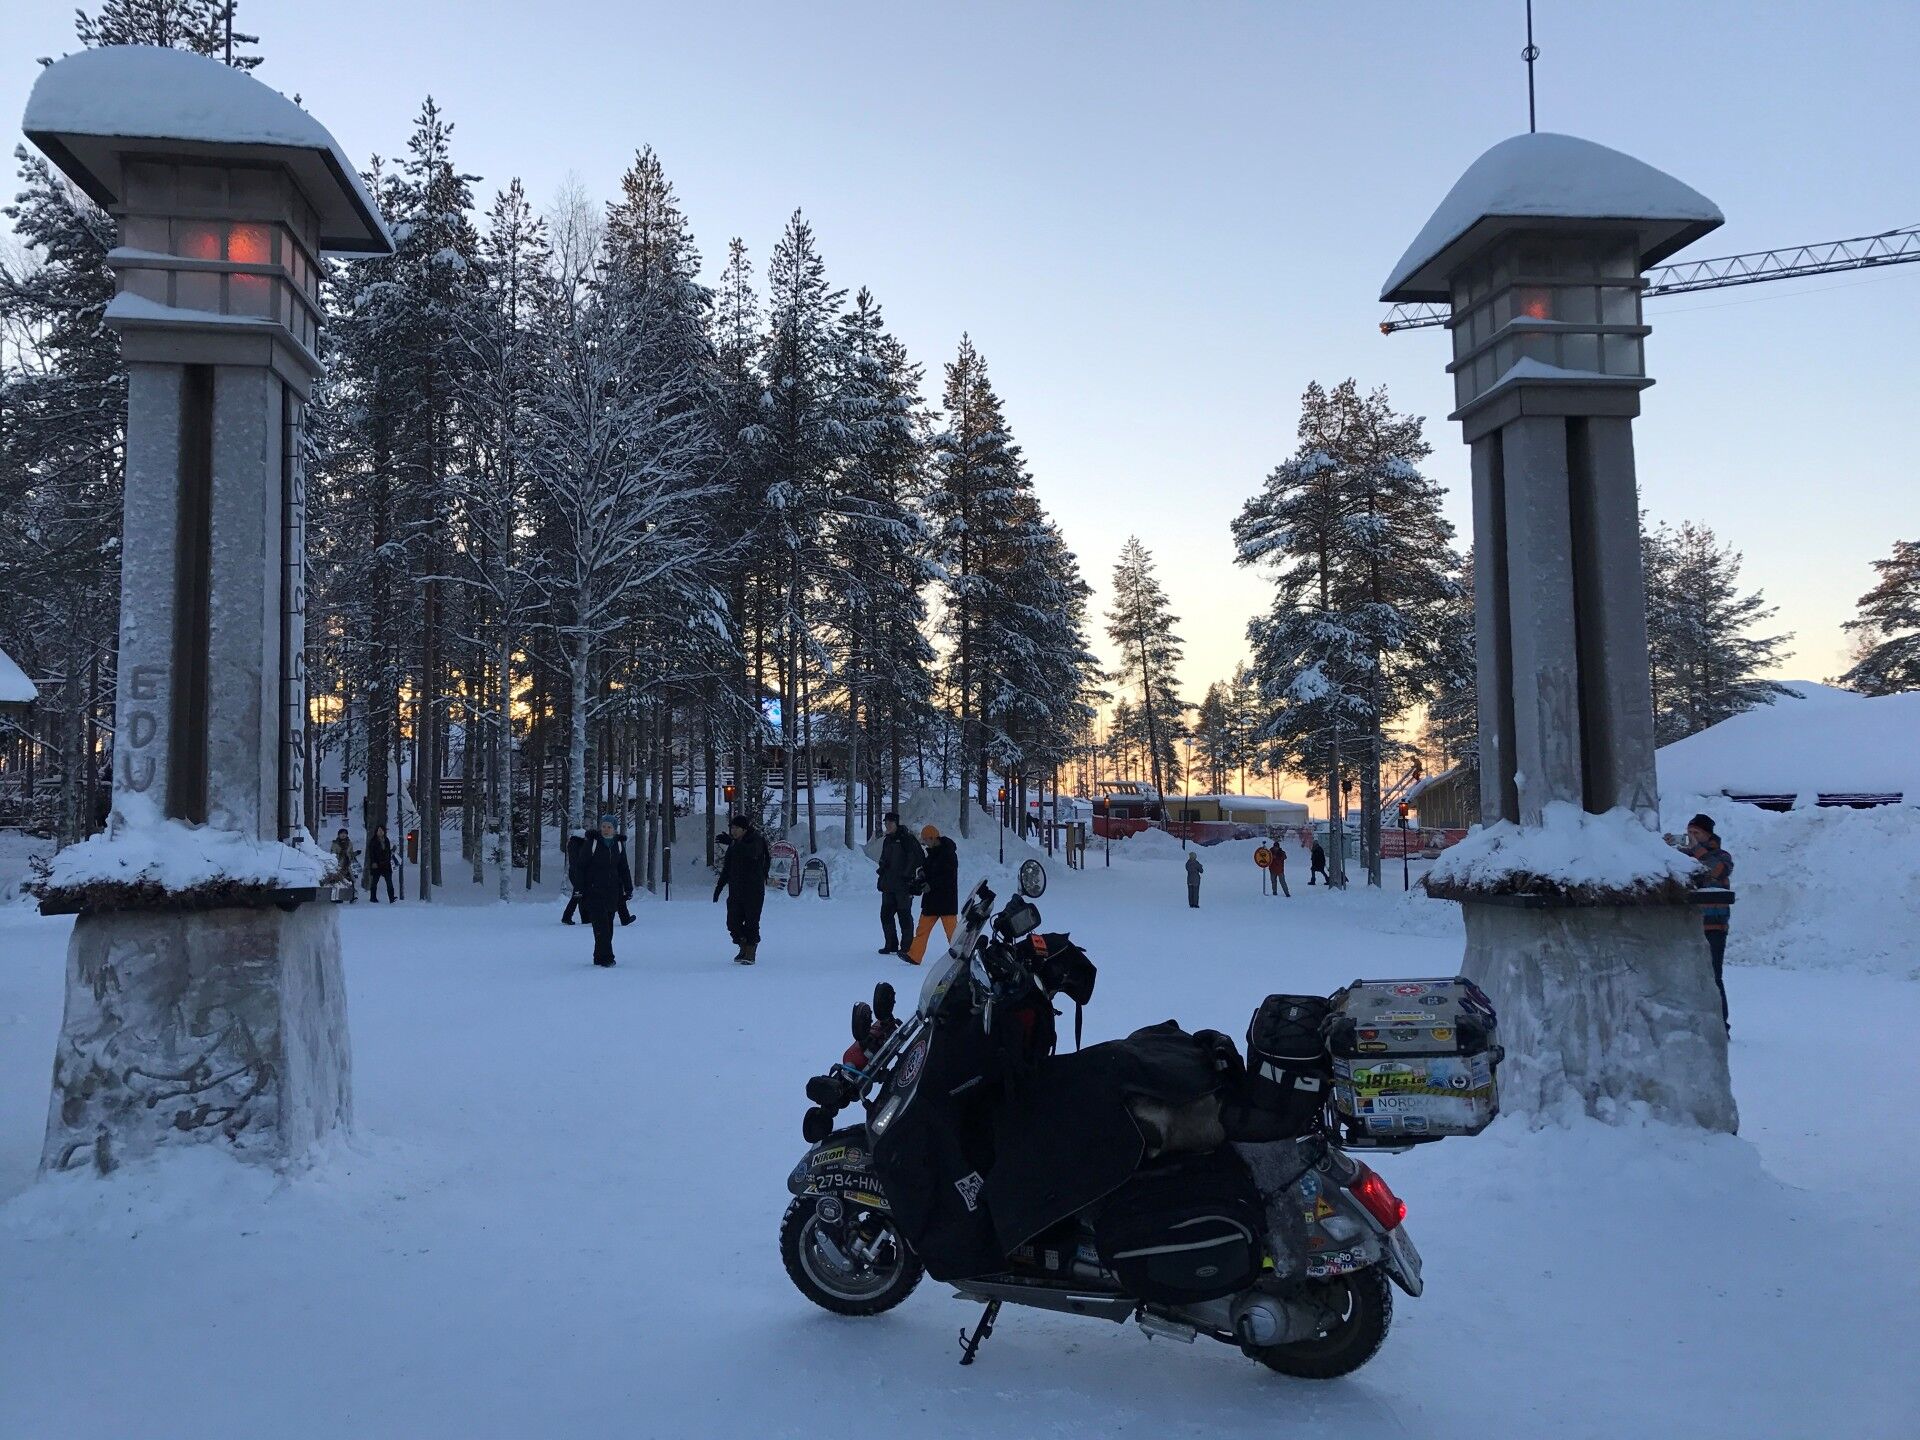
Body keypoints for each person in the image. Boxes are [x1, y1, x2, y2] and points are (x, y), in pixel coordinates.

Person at [1670, 812, 1734, 1035]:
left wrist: (1696, 850)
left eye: (1696, 833)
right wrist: (1665, 849)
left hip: (1714, 926)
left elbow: (1714, 872)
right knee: (1687, 977)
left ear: (1708, 835)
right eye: (1689, 833)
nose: (1691, 837)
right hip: (1689, 925)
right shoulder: (1683, 858)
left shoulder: (1722, 856)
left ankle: (1720, 1026)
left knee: (1713, 976)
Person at [570, 814, 634, 968]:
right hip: (594, 891)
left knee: (608, 928)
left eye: (609, 827)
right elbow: (581, 867)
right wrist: (579, 888)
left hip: (612, 892)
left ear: (614, 829)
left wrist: (628, 887)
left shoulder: (618, 844)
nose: (606, 829)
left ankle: (599, 957)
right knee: (601, 926)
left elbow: (623, 868)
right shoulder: (592, 843)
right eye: (604, 826)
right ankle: (607, 958)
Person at [714, 814, 771, 965]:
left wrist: (733, 843)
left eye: (736, 828)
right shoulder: (734, 844)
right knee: (732, 922)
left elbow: (751, 853)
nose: (733, 831)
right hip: (736, 890)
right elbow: (728, 867)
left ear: (744, 829)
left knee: (752, 921)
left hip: (753, 889)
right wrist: (719, 887)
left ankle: (750, 951)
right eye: (732, 828)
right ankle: (743, 945)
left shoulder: (756, 840)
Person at [905, 824, 960, 965]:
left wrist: (931, 885)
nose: (924, 843)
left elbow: (948, 877)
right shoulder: (931, 854)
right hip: (931, 901)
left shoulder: (949, 854)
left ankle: (961, 956)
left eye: (925, 840)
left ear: (933, 838)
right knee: (922, 929)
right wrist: (921, 873)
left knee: (952, 933)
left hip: (946, 900)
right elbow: (928, 869)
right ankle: (914, 956)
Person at [875, 811, 924, 956]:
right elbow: (884, 859)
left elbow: (918, 858)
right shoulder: (887, 840)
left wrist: (908, 876)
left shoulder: (907, 839)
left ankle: (906, 947)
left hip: (904, 886)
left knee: (904, 915)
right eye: (886, 822)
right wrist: (882, 872)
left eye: (890, 823)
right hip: (888, 885)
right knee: (885, 915)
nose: (887, 825)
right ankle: (891, 944)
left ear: (896, 823)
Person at [364, 824, 397, 903]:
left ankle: (391, 898)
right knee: (375, 881)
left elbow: (388, 852)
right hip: (377, 864)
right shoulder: (373, 841)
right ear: (376, 832)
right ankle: (373, 897)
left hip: (386, 864)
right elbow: (371, 853)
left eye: (382, 830)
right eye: (379, 830)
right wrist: (373, 862)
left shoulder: (386, 840)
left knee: (389, 881)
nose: (380, 832)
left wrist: (390, 855)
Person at [329, 827, 358, 901]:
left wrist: (355, 853)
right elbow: (333, 854)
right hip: (339, 865)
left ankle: (352, 896)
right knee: (338, 881)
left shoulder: (349, 843)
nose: (343, 835)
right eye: (341, 833)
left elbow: (351, 853)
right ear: (339, 835)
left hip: (347, 864)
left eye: (345, 833)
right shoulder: (335, 843)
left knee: (350, 880)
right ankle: (337, 898)